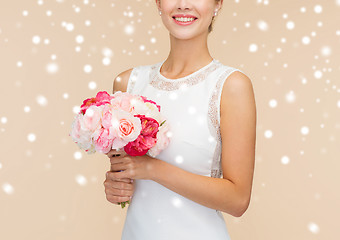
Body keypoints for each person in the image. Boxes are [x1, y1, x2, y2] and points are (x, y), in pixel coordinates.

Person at [103, 0, 256, 239]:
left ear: (218, 4)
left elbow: (238, 200)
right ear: (158, 3)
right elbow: (125, 175)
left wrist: (153, 169)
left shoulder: (231, 86)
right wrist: (116, 186)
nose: (184, 5)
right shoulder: (127, 84)